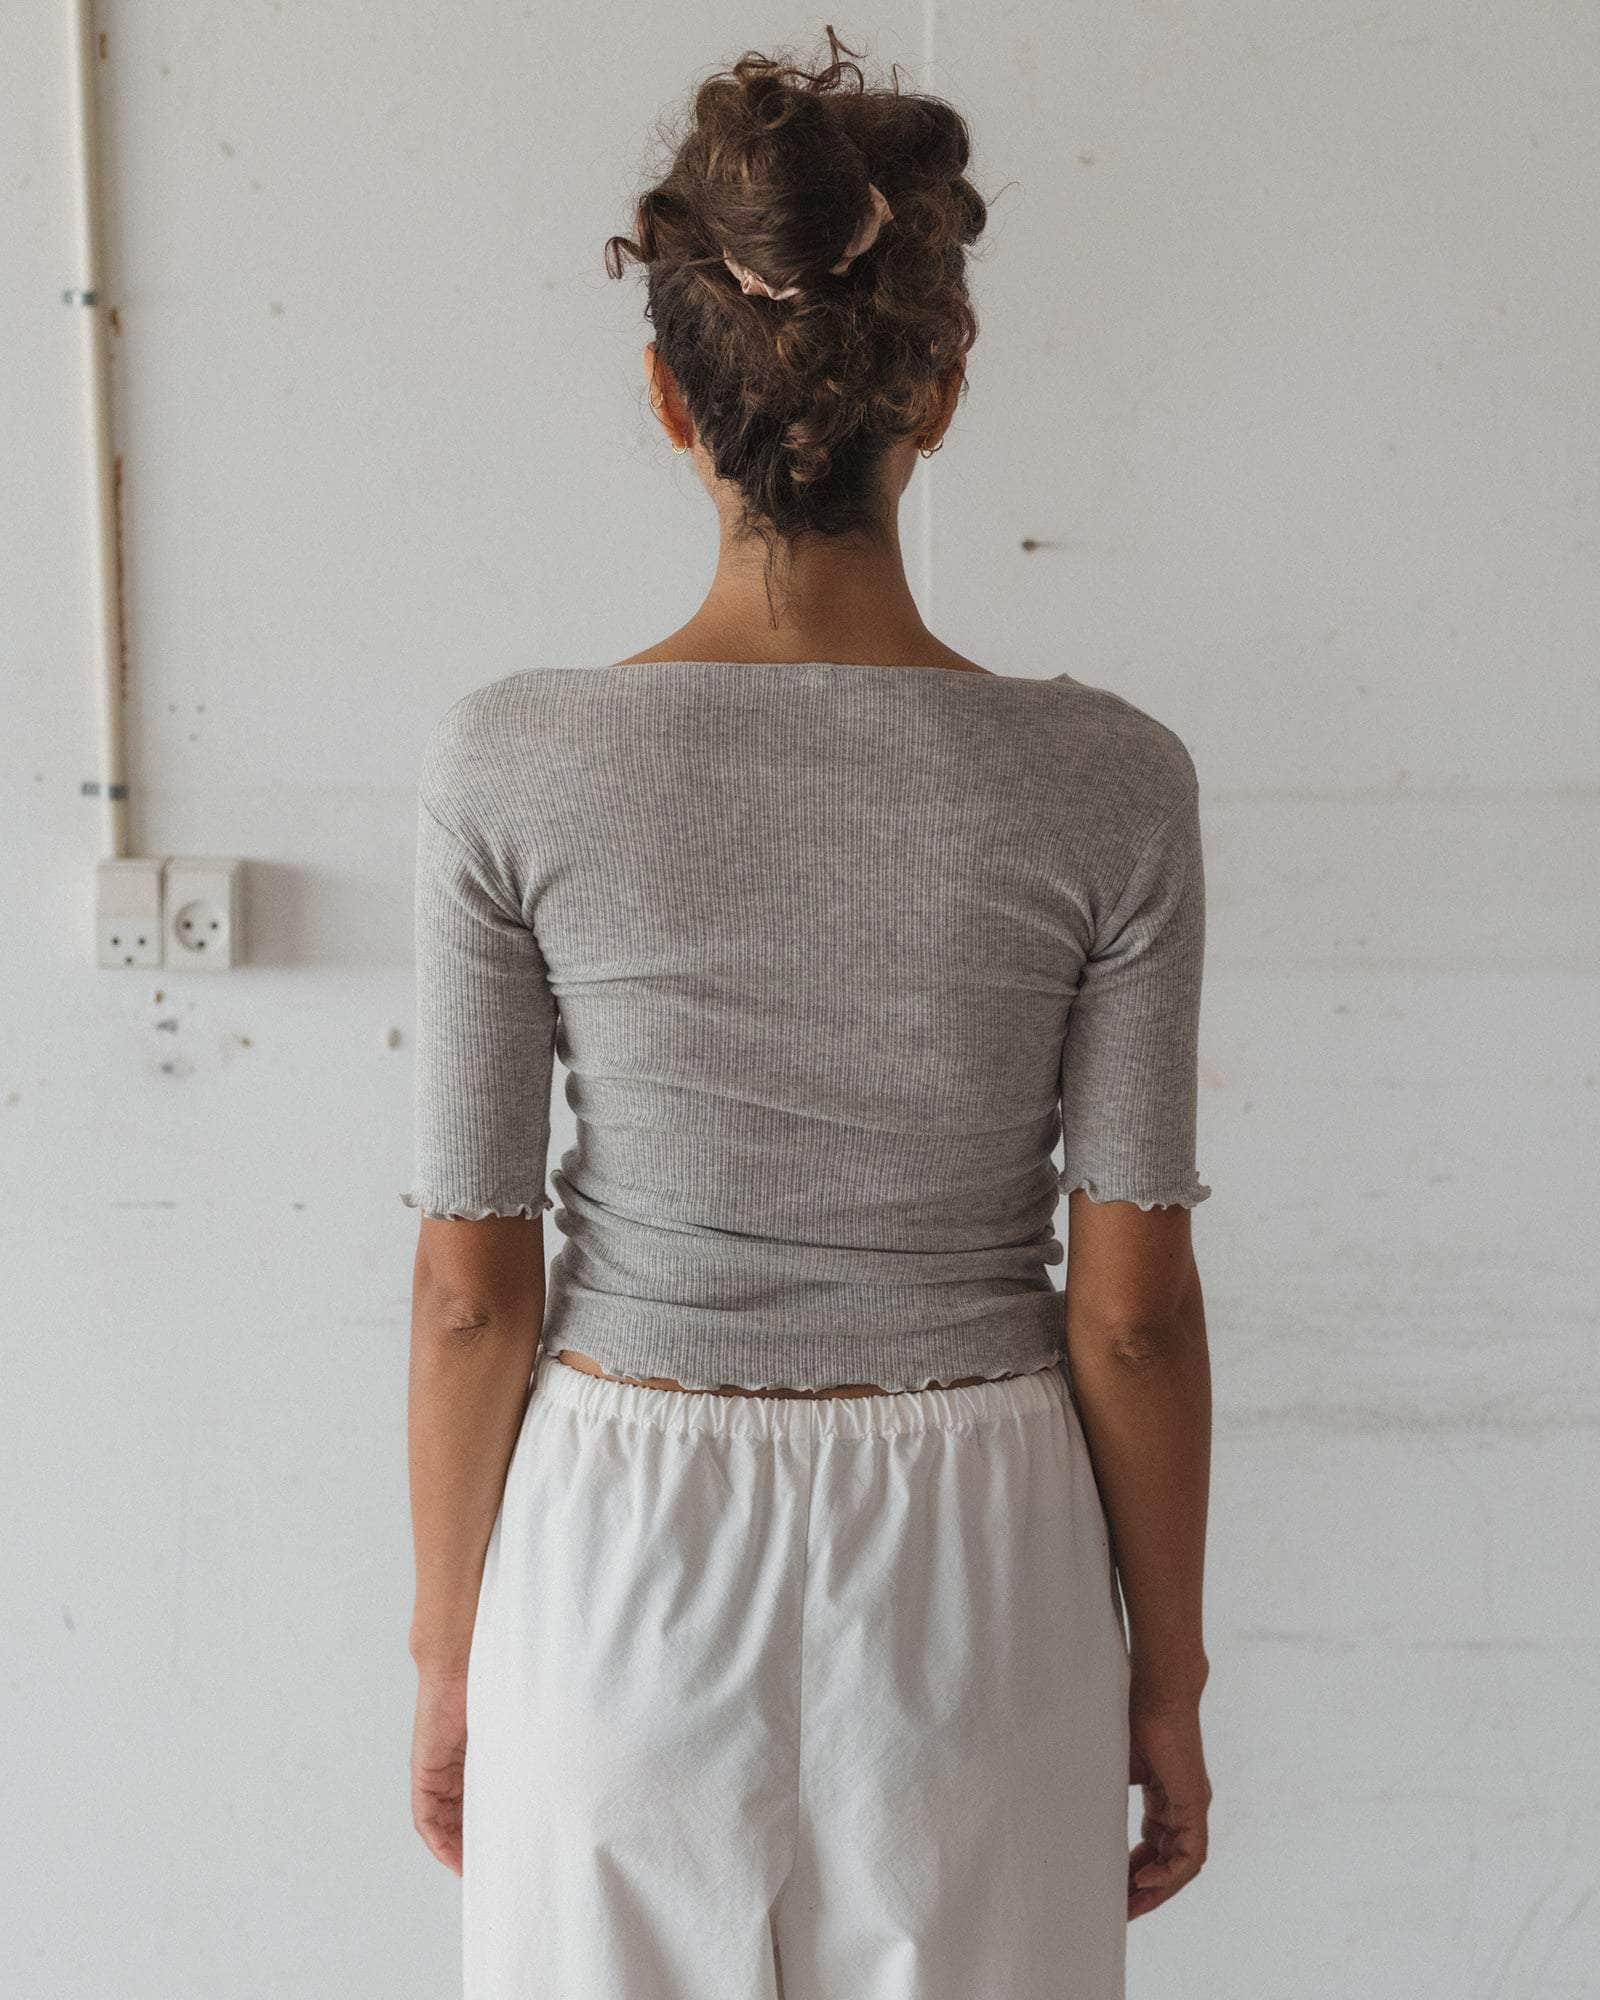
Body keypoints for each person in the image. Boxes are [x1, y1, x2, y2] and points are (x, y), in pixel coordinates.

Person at [401, 30, 1212, 2000]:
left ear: (667, 394)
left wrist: (449, 1653)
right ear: (939, 383)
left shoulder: (512, 762)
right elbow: (1128, 1312)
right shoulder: (1106, 781)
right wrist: (1168, 1680)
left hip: (618, 1538)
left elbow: (469, 1296)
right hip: (980, 1556)